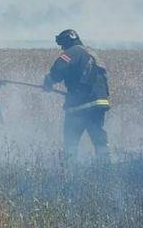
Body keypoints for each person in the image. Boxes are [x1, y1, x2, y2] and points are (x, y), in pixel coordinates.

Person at [43, 29, 111, 161]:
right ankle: (105, 168)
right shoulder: (92, 54)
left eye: (63, 44)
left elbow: (59, 67)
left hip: (81, 105)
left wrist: (49, 81)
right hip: (99, 103)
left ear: (69, 40)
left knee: (71, 142)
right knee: (99, 139)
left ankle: (71, 173)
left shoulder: (74, 51)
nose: (62, 48)